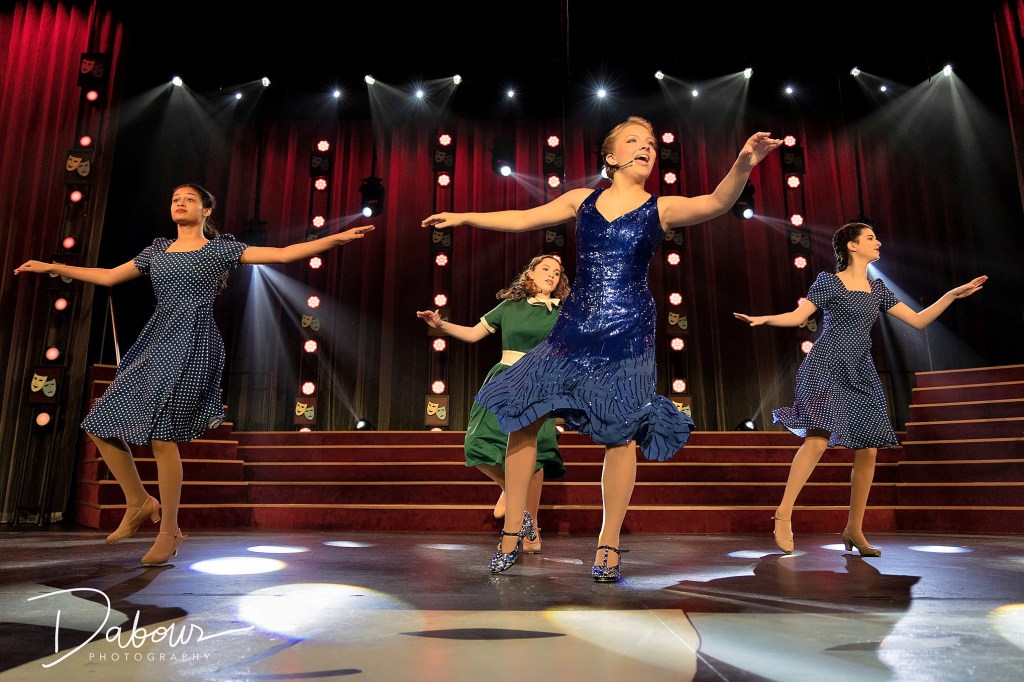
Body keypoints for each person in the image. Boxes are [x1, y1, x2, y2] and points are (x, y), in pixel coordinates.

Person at [422, 117, 782, 580]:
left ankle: (608, 542)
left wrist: (744, 163)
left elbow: (715, 202)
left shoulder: (660, 207)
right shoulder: (581, 201)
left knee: (623, 433)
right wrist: (466, 215)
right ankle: (513, 530)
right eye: (633, 141)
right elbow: (523, 219)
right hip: (576, 324)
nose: (645, 148)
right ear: (610, 157)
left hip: (628, 329)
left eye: (651, 144)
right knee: (524, 412)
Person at [14, 183, 373, 566]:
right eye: (174, 199)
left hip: (195, 342)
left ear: (206, 212)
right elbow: (107, 277)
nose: (180, 203)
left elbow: (283, 254)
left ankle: (169, 531)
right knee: (100, 424)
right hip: (156, 339)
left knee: (162, 437)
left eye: (189, 199)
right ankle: (138, 502)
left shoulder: (221, 249)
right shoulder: (156, 250)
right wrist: (53, 266)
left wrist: (335, 239)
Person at [733, 222, 986, 556]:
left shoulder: (878, 289)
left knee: (869, 449)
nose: (878, 242)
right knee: (817, 440)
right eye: (870, 238)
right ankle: (783, 513)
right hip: (825, 365)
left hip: (861, 371)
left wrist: (952, 295)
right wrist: (764, 319)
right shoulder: (829, 282)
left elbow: (920, 320)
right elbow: (799, 317)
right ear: (852, 246)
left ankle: (854, 529)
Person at [416, 254, 569, 553]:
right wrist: (440, 324)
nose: (552, 275)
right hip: (505, 380)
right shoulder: (510, 307)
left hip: (541, 383)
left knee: (536, 457)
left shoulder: (564, 312)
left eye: (557, 272)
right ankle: (512, 493)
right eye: (545, 269)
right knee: (477, 445)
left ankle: (531, 531)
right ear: (531, 274)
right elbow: (474, 334)